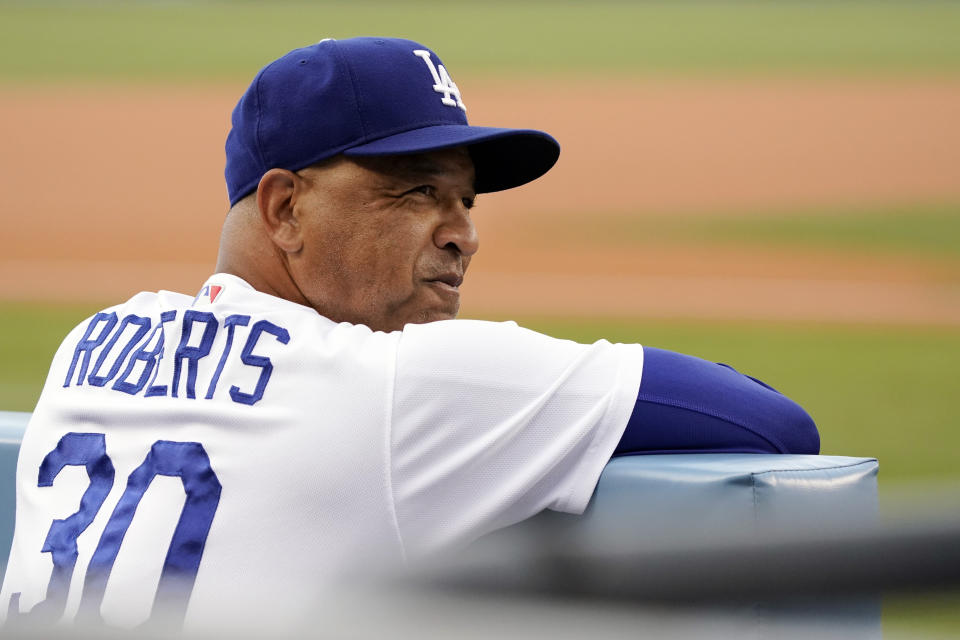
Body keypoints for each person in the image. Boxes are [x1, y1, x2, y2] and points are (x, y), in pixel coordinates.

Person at [0, 37, 818, 633]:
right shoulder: (400, 384)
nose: (462, 233)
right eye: (416, 192)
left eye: (467, 201)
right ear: (285, 208)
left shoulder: (95, 344)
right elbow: (774, 426)